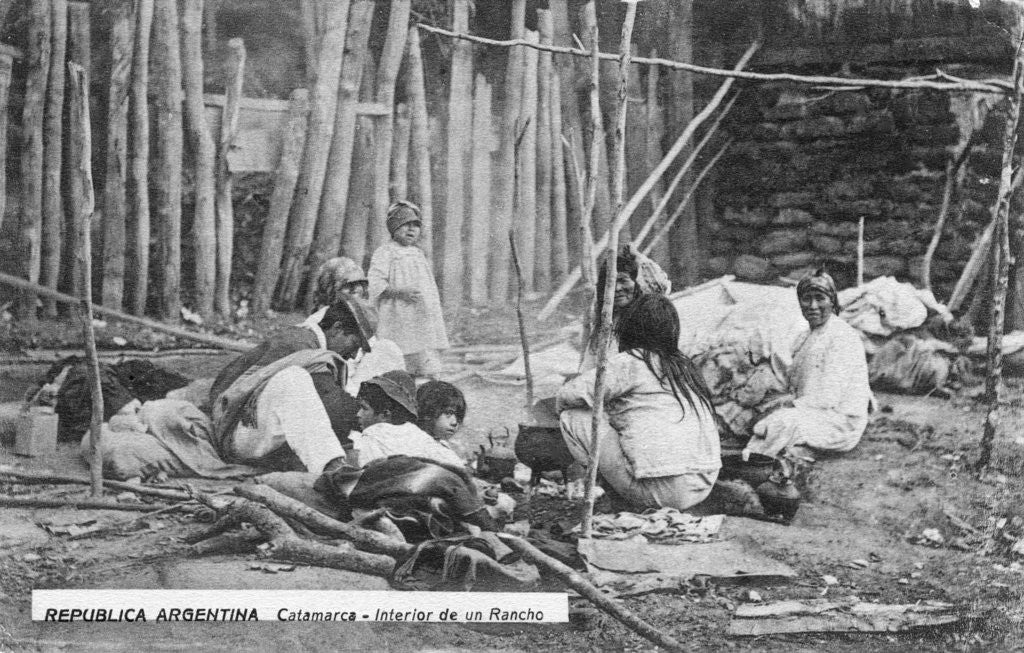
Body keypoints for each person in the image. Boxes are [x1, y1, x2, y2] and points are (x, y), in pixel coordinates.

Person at [557, 294, 721, 512]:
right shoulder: (684, 366)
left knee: (573, 416)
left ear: (629, 329)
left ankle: (607, 490)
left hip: (660, 491)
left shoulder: (632, 360)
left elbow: (569, 395)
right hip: (702, 485)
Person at [208, 297, 376, 472]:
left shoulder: (307, 342)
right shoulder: (300, 344)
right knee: (292, 379)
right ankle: (334, 474)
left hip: (256, 433)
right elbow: (334, 407)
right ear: (337, 329)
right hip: (238, 437)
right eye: (355, 344)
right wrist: (375, 413)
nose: (353, 355)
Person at [743, 269, 871, 459]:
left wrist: (787, 406)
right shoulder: (805, 335)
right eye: (806, 299)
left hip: (840, 421)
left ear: (832, 302)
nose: (813, 306)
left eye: (820, 298)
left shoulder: (842, 337)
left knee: (778, 423)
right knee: (760, 420)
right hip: (814, 411)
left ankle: (760, 464)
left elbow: (828, 398)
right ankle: (754, 458)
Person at [368, 201, 450, 379]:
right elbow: (375, 282)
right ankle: (398, 376)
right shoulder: (385, 252)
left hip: (419, 312)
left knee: (421, 345)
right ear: (393, 228)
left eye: (415, 226)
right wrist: (399, 292)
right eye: (405, 225)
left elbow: (427, 285)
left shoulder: (417, 253)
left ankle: (422, 375)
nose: (411, 230)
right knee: (398, 347)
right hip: (397, 312)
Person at [303, 256, 406, 395]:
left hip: (354, 376)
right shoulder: (317, 322)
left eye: (360, 284)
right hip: (336, 383)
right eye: (347, 286)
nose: (356, 290)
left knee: (387, 348)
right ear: (330, 288)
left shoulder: (362, 315)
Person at [580, 244, 670, 372]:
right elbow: (589, 369)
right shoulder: (604, 324)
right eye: (610, 283)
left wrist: (639, 259)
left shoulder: (648, 312)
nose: (617, 288)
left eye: (623, 280)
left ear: (637, 283)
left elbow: (660, 286)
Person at [349, 370, 465, 468]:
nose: (455, 422)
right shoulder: (421, 439)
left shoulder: (373, 435)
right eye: (448, 413)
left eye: (364, 408)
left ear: (386, 414)